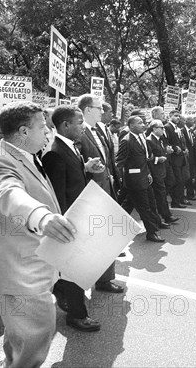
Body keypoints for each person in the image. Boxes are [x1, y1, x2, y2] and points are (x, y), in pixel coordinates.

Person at [0, 102, 76, 367]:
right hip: (19, 274)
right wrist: (42, 217)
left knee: (21, 336)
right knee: (35, 338)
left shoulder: (20, 154)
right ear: (23, 131)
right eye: (43, 127)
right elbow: (9, 194)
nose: (48, 132)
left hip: (31, 266)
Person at [42, 106, 102, 332]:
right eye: (79, 122)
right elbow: (57, 196)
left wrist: (86, 169)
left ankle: (71, 303)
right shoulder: (55, 152)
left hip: (78, 217)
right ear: (65, 125)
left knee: (75, 268)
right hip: (70, 222)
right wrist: (69, 227)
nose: (83, 126)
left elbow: (70, 181)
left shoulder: (70, 148)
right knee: (71, 269)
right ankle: (77, 315)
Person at [77, 95, 124, 293]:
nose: (102, 112)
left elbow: (108, 159)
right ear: (87, 110)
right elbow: (77, 165)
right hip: (91, 194)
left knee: (107, 238)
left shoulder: (99, 130)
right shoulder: (78, 133)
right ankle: (80, 283)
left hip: (107, 189)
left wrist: (112, 176)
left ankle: (105, 280)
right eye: (98, 108)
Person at [116, 116, 165, 243]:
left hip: (144, 178)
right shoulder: (126, 141)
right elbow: (119, 163)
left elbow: (144, 159)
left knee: (148, 203)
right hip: (134, 182)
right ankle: (151, 232)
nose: (143, 125)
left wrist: (148, 173)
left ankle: (156, 224)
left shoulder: (142, 137)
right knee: (145, 207)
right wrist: (121, 180)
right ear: (131, 126)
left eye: (143, 123)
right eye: (140, 123)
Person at [147, 119, 179, 224]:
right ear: (154, 129)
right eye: (161, 128)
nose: (163, 129)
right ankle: (166, 215)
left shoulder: (159, 140)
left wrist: (166, 151)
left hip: (162, 169)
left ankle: (162, 213)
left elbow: (160, 152)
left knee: (164, 190)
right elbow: (148, 157)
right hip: (155, 171)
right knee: (160, 193)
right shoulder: (149, 140)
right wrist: (157, 159)